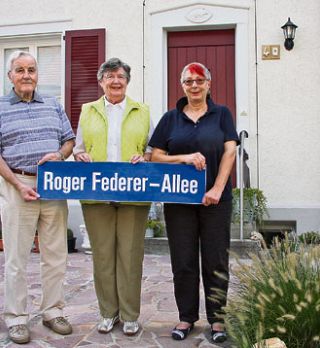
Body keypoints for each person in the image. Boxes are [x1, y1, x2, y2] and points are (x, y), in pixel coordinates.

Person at [149, 62, 239, 343]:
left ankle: (217, 320)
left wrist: (216, 188)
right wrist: (184, 158)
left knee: (215, 260)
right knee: (184, 261)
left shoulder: (221, 114)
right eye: (189, 81)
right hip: (179, 202)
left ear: (209, 84)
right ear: (182, 85)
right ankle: (186, 317)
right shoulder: (170, 118)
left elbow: (230, 151)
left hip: (215, 200)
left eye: (200, 80)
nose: (194, 85)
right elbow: (156, 156)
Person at [74, 57, 153, 336]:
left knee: (130, 256)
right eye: (109, 76)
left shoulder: (142, 111)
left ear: (127, 81)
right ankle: (108, 313)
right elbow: (79, 147)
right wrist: (79, 154)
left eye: (120, 76)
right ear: (101, 82)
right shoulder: (87, 110)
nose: (115, 81)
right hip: (96, 194)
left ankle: (130, 315)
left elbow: (151, 150)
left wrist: (144, 156)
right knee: (103, 256)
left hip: (134, 194)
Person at [0, 51, 75, 344]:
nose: (26, 74)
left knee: (55, 255)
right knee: (17, 258)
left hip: (53, 187)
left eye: (31, 69)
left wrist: (59, 154)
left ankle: (52, 311)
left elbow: (69, 140)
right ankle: (17, 318)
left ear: (37, 74)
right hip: (18, 184)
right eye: (20, 70)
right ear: (10, 76)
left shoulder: (53, 105)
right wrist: (17, 185)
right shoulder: (1, 108)